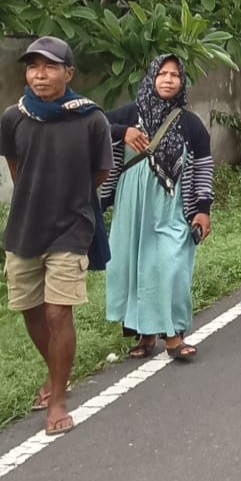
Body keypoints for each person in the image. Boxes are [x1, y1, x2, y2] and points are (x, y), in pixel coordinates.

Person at [1, 37, 113, 436]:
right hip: (25, 227)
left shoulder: (90, 120)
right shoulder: (14, 118)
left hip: (71, 226)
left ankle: (59, 400)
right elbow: (17, 169)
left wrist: (70, 202)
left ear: (68, 73)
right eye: (32, 67)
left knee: (56, 311)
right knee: (30, 309)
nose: (39, 74)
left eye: (48, 67)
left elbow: (98, 175)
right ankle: (54, 373)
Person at [101, 55, 214, 362]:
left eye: (174, 75)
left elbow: (203, 167)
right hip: (131, 207)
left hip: (172, 208)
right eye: (162, 74)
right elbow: (92, 125)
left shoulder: (191, 124)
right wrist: (122, 132)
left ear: (182, 82)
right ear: (151, 78)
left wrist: (203, 209)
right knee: (135, 266)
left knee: (171, 265)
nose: (167, 80)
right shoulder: (129, 114)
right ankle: (146, 333)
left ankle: (174, 336)